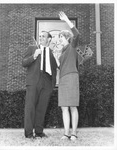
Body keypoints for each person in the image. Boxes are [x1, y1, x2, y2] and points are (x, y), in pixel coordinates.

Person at [22, 31, 57, 139]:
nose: (41, 38)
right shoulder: (32, 48)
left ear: (49, 39)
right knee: (30, 107)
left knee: (42, 107)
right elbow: (24, 62)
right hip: (34, 81)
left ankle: (39, 132)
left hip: (47, 81)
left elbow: (55, 68)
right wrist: (34, 55)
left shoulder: (52, 52)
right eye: (40, 36)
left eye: (43, 36)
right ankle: (28, 134)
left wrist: (52, 84)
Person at [54, 11, 80, 141]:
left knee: (72, 106)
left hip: (72, 78)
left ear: (67, 38)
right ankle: (66, 133)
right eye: (59, 38)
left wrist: (67, 21)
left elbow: (77, 34)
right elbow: (60, 67)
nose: (59, 39)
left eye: (61, 37)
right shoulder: (62, 52)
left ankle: (74, 133)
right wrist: (56, 58)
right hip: (63, 79)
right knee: (64, 107)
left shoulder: (72, 46)